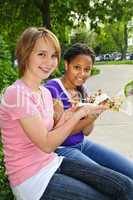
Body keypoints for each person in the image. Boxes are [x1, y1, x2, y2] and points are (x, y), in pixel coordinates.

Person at [0, 28, 133, 200]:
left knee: (126, 186)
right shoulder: (16, 94)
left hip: (52, 163)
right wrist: (79, 114)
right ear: (25, 54)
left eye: (54, 55)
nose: (49, 62)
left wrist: (70, 113)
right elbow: (47, 144)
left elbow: (53, 131)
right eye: (42, 54)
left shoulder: (44, 93)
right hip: (32, 180)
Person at [45, 43, 133, 180]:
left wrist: (96, 111)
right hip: (62, 150)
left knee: (130, 170)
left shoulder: (82, 90)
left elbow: (86, 132)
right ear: (66, 65)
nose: (82, 74)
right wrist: (90, 115)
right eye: (77, 68)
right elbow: (61, 133)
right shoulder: (52, 89)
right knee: (118, 182)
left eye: (87, 69)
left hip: (82, 144)